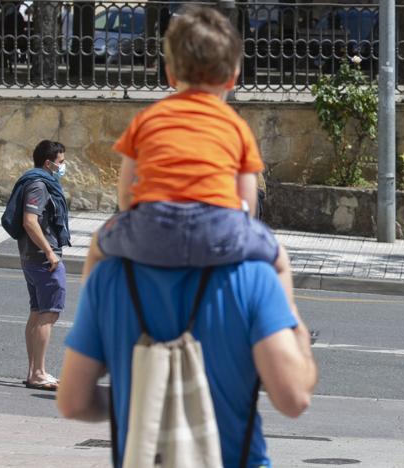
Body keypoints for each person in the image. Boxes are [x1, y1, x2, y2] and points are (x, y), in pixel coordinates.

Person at [80, 6, 296, 312]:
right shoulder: (236, 128)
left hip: (154, 229)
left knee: (97, 246)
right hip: (216, 232)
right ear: (232, 77)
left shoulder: (146, 120)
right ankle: (292, 329)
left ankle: (95, 320)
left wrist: (135, 220)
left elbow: (126, 192)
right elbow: (247, 203)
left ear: (169, 74)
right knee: (279, 259)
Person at [56, 257, 317, 467]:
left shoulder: (110, 277)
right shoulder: (254, 276)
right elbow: (293, 399)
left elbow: (73, 402)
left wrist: (143, 398)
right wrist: (299, 333)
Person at [7, 140, 71, 391]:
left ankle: (34, 371)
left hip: (32, 258)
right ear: (48, 163)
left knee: (37, 312)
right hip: (43, 259)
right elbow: (30, 222)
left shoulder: (35, 181)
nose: (63, 166)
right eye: (61, 162)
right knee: (49, 313)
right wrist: (49, 252)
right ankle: (39, 373)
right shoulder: (39, 184)